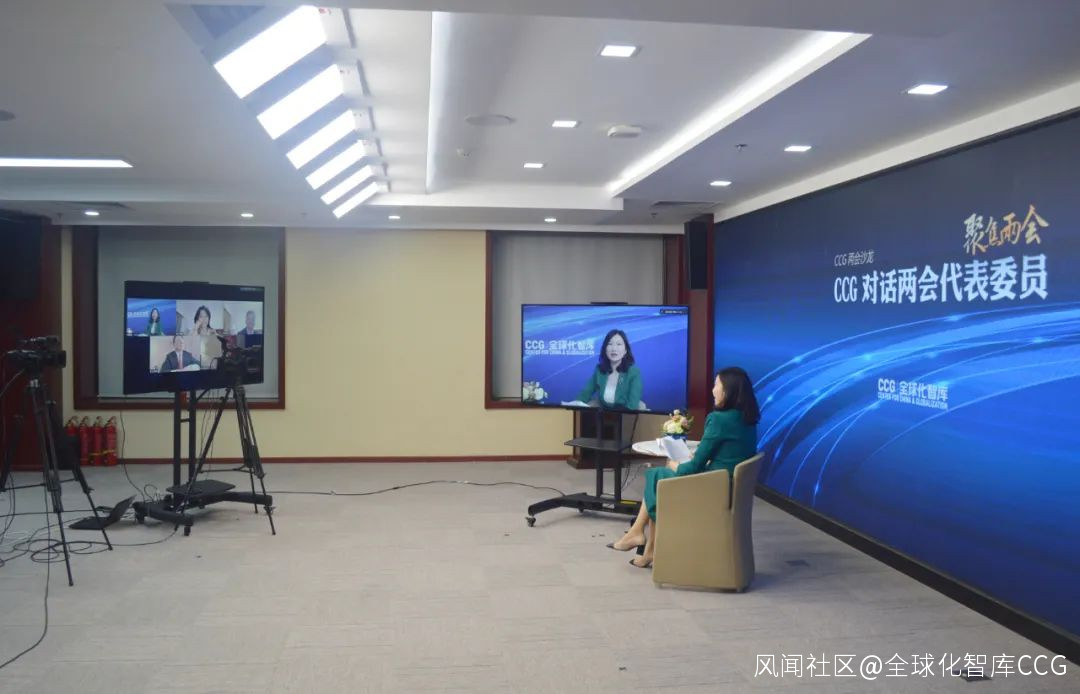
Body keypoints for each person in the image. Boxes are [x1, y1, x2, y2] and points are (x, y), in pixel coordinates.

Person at [609, 366, 759, 568]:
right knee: (659, 478)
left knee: (657, 476)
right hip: (728, 486)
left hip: (714, 490)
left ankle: (638, 534)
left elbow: (695, 467)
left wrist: (676, 465)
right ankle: (646, 547)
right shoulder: (747, 419)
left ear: (727, 391)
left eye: (716, 385)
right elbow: (726, 455)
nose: (713, 390)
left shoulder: (719, 419)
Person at [574, 329, 643, 410]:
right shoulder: (599, 370)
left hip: (625, 413)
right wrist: (574, 405)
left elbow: (632, 405)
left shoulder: (634, 373)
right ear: (605, 349)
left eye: (619, 344)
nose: (614, 349)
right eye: (610, 344)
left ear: (625, 351)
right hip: (604, 411)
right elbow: (586, 392)